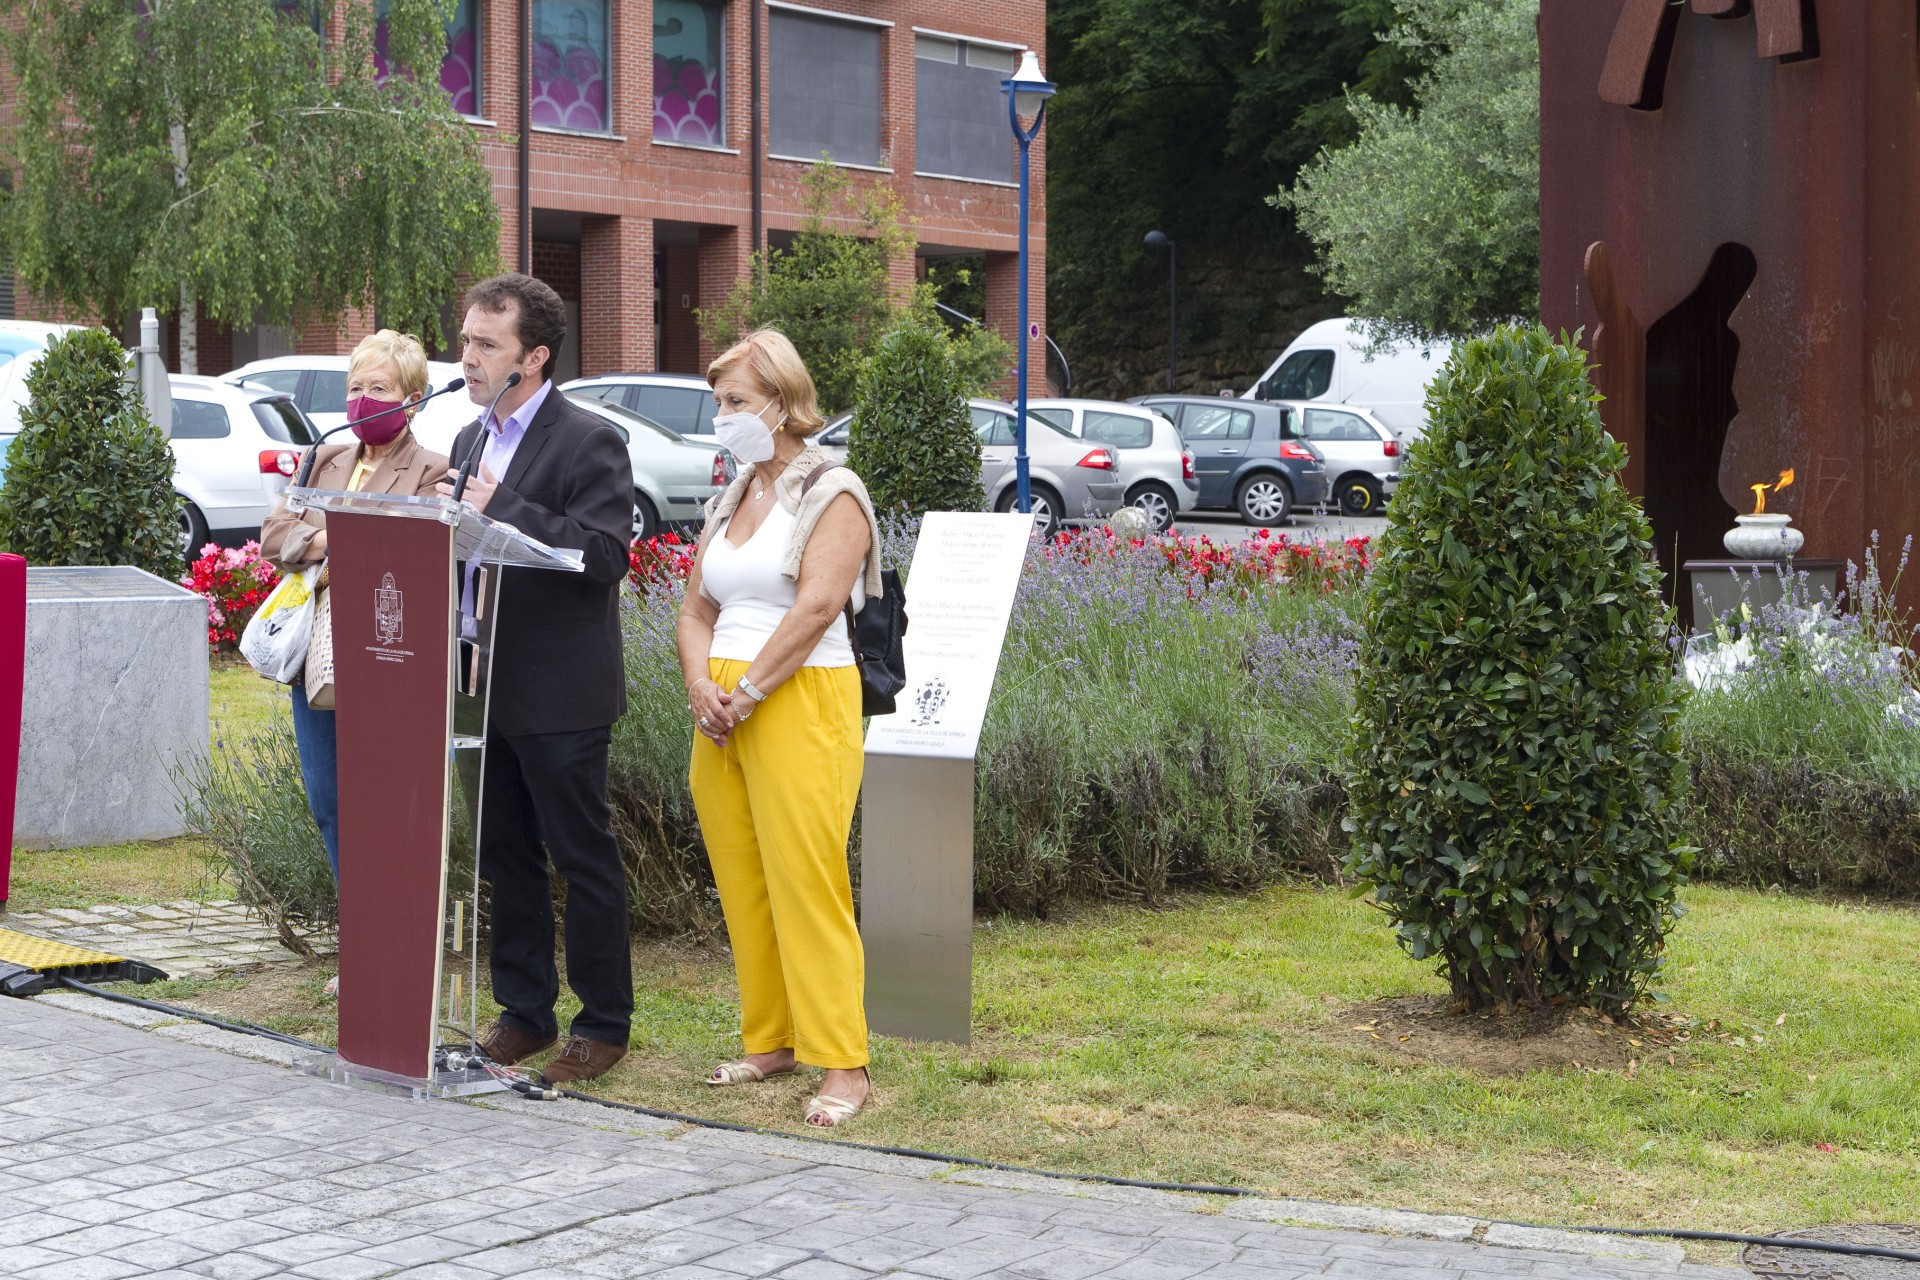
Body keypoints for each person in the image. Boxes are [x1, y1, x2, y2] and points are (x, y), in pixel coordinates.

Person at [675, 328, 884, 1128]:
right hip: (722, 706)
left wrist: (750, 689)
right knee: (744, 877)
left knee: (806, 879)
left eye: (735, 401)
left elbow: (819, 606)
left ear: (783, 401)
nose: (723, 417)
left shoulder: (834, 490)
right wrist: (703, 685)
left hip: (798, 695)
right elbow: (696, 609)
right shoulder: (732, 496)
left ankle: (843, 1062)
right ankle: (773, 1040)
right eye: (718, 402)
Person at [437, 273, 635, 1086]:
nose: (469, 358)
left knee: (580, 857)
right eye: (466, 341)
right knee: (505, 857)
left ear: (535, 357)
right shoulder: (466, 439)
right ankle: (524, 1012)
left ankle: (602, 1025)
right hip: (478, 683)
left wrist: (504, 506)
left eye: (488, 345)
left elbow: (605, 555)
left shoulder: (589, 440)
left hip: (560, 690)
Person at [260, 330, 449, 998]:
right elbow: (273, 536)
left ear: (413, 398)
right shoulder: (325, 456)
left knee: (386, 807)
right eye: (355, 387)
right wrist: (334, 539)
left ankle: (399, 945)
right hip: (315, 655)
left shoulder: (433, 469)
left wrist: (324, 538)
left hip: (387, 654)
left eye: (379, 388)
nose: (363, 400)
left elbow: (412, 545)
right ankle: (364, 943)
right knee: (330, 803)